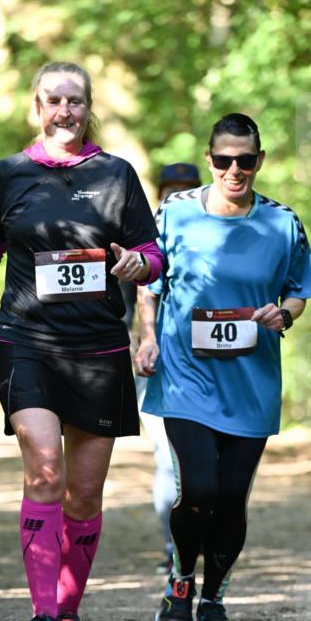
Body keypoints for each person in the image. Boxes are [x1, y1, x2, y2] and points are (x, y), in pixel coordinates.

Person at [0, 61, 162, 621]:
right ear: (37, 106)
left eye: (75, 101)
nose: (64, 111)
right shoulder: (10, 174)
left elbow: (152, 253)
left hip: (98, 348)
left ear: (89, 106)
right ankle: (41, 620)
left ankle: (69, 615)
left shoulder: (116, 175)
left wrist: (137, 265)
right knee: (44, 470)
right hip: (24, 339)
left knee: (83, 496)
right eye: (53, 100)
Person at [135, 113, 311, 621]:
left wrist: (284, 314)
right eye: (223, 160)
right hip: (185, 376)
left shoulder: (282, 222)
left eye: (245, 160)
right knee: (198, 488)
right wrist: (146, 337)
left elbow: (299, 290)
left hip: (251, 380)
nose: (233, 170)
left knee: (232, 496)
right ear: (210, 158)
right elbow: (150, 283)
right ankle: (179, 582)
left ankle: (214, 599)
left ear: (259, 161)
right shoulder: (174, 212)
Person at [122, 162, 202, 574]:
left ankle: (202, 535)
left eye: (187, 188)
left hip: (209, 366)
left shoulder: (210, 233)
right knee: (167, 457)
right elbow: (119, 301)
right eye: (171, 188)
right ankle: (174, 545)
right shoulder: (137, 236)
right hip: (153, 364)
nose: (177, 195)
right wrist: (133, 342)